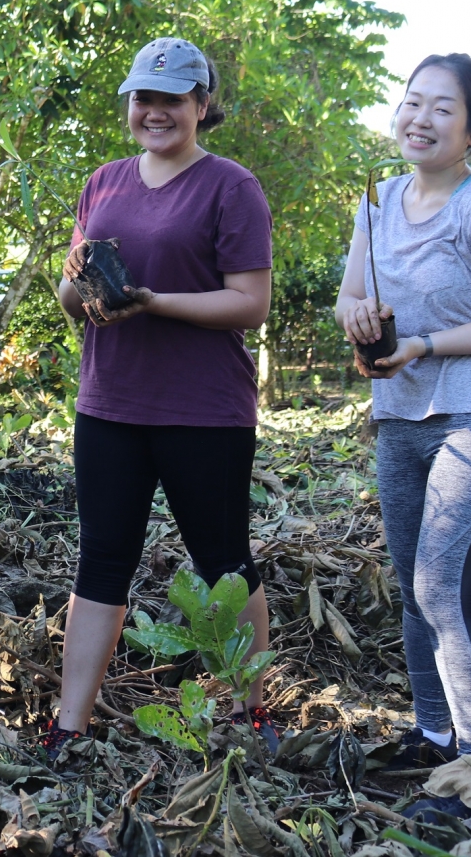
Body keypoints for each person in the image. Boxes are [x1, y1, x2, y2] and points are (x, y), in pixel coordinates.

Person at [49, 37, 276, 758]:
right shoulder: (103, 183)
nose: (154, 112)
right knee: (101, 561)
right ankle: (68, 725)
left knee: (223, 562)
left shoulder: (231, 187)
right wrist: (77, 279)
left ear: (201, 105)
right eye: (143, 98)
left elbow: (250, 303)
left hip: (203, 410)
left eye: (171, 99)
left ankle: (249, 713)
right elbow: (71, 301)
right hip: (108, 404)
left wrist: (153, 301)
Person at [335, 54, 471, 780]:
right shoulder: (378, 200)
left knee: (443, 591)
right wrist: (357, 317)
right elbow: (349, 296)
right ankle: (435, 740)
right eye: (413, 102)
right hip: (399, 414)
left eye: (442, 108)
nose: (420, 118)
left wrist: (423, 343)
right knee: (413, 591)